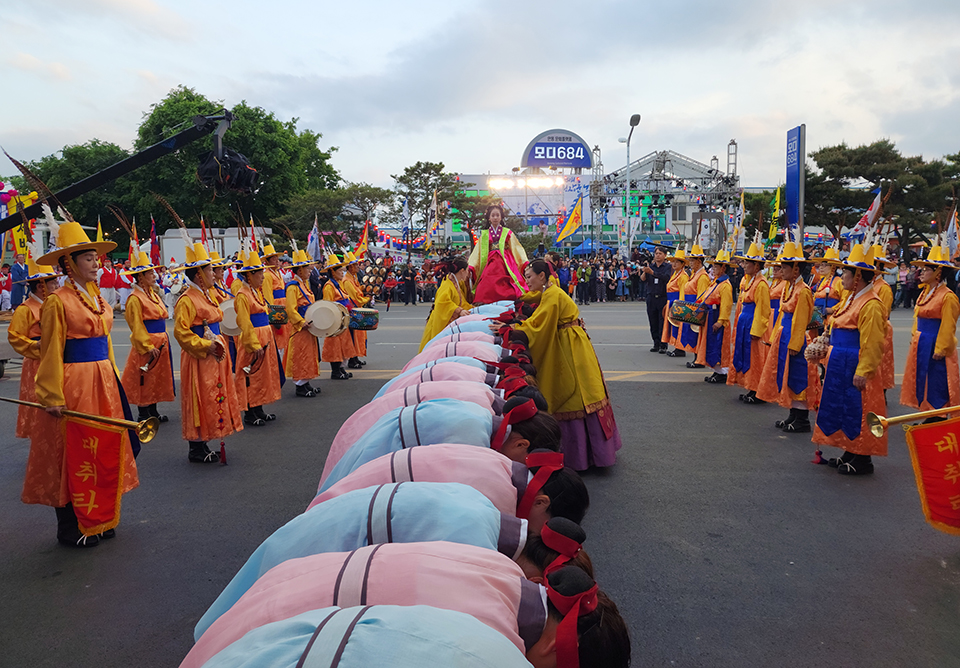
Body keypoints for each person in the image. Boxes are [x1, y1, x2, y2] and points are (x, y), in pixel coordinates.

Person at [30, 214, 139, 548]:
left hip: (103, 380)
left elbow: (105, 344)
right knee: (74, 451)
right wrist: (51, 395)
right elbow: (50, 352)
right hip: (74, 383)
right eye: (89, 258)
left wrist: (114, 380)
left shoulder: (98, 298)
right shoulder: (57, 302)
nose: (96, 264)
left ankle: (101, 517)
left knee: (104, 446)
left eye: (96, 257)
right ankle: (70, 526)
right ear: (69, 263)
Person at [509, 259, 622, 470]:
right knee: (585, 391)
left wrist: (513, 330)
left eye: (529, 276)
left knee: (575, 393)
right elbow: (535, 297)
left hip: (569, 348)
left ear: (542, 276)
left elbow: (539, 324)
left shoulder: (552, 294)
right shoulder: (552, 288)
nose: (527, 281)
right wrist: (516, 299)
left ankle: (579, 457)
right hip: (573, 343)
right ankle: (596, 454)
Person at [812, 241, 887, 475]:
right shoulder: (851, 298)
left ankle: (863, 458)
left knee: (859, 409)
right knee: (842, 408)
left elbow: (873, 342)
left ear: (858, 277)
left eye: (845, 272)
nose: (842, 276)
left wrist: (863, 371)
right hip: (840, 363)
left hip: (855, 363)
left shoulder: (871, 304)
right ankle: (849, 450)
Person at [172, 241, 244, 464]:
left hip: (215, 354)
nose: (215, 273)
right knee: (199, 396)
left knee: (213, 394)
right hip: (200, 357)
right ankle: (196, 446)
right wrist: (206, 345)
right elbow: (181, 333)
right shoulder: (187, 300)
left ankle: (205, 438)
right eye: (210, 269)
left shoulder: (207, 295)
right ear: (199, 275)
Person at [756, 237, 820, 432]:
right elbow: (783, 315)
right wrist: (775, 337)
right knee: (788, 374)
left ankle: (802, 419)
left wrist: (795, 344)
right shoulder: (789, 287)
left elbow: (801, 320)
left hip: (796, 340)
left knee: (798, 376)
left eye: (784, 267)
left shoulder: (804, 291)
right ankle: (792, 414)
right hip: (785, 336)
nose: (780, 270)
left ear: (796, 270)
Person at [900, 240, 960, 415]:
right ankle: (926, 411)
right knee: (922, 378)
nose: (922, 272)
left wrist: (941, 348)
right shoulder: (925, 292)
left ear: (938, 272)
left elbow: (948, 325)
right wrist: (915, 337)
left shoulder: (948, 297)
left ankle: (937, 414)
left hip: (935, 344)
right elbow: (917, 318)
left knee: (936, 380)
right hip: (922, 342)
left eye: (926, 269)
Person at [7, 248, 58, 440]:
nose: (56, 285)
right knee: (38, 399)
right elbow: (14, 335)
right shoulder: (26, 309)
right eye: (53, 282)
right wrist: (33, 345)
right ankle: (40, 438)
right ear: (40, 287)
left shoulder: (53, 304)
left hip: (54, 357)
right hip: (37, 360)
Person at [119, 251, 175, 424]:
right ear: (140, 276)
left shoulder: (153, 294)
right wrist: (146, 345)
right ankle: (144, 412)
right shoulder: (135, 298)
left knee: (156, 377)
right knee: (144, 377)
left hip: (161, 341)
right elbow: (136, 325)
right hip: (148, 342)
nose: (154, 275)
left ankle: (153, 410)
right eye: (150, 273)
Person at [233, 250, 283, 427]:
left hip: (264, 337)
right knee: (251, 374)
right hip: (253, 339)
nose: (263, 276)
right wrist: (254, 344)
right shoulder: (242, 295)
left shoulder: (256, 292)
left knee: (262, 375)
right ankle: (250, 412)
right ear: (249, 275)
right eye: (259, 273)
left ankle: (259, 407)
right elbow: (244, 322)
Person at [727, 238, 771, 403]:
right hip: (746, 322)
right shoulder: (751, 281)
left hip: (752, 324)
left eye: (747, 263)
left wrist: (757, 330)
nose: (744, 265)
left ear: (757, 266)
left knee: (755, 357)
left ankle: (757, 390)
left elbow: (763, 310)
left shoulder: (761, 284)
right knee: (746, 355)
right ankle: (750, 387)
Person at [468, 204, 528, 304]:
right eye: (493, 215)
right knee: (486, 282)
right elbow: (477, 252)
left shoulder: (507, 232)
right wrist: (471, 266)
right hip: (490, 261)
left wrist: (524, 262)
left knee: (510, 282)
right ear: (489, 218)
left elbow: (516, 248)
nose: (495, 218)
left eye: (497, 215)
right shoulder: (485, 234)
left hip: (506, 261)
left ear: (501, 217)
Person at [283, 249, 321, 398]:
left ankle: (306, 382)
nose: (310, 271)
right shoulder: (293, 287)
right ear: (299, 269)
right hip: (301, 327)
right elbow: (291, 309)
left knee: (309, 354)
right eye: (307, 268)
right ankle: (300, 386)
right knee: (301, 355)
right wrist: (300, 322)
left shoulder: (304, 284)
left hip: (309, 326)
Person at [695, 249, 734, 383]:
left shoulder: (725, 285)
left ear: (723, 268)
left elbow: (726, 305)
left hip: (717, 317)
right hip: (710, 315)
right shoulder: (716, 282)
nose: (713, 269)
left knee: (718, 346)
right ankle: (717, 371)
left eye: (716, 266)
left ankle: (723, 372)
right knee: (711, 345)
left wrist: (721, 321)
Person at [418, 257, 473, 352]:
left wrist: (474, 309)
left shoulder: (454, 283)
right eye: (467, 270)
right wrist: (459, 311)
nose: (468, 273)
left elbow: (461, 302)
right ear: (462, 270)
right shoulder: (447, 284)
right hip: (439, 323)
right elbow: (442, 302)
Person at [321, 253, 357, 380]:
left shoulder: (339, 283)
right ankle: (335, 371)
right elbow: (327, 305)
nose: (343, 273)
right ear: (333, 272)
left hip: (343, 320)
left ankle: (341, 368)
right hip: (336, 321)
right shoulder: (329, 286)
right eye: (340, 271)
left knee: (344, 345)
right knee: (335, 347)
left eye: (343, 270)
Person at [676, 239, 711, 361]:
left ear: (699, 261)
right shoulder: (694, 274)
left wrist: (695, 311)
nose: (690, 262)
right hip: (689, 306)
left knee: (696, 334)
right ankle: (696, 358)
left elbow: (701, 296)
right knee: (692, 334)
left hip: (695, 308)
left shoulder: (702, 277)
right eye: (690, 260)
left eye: (692, 260)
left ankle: (699, 359)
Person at [259, 243, 291, 355]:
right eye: (273, 259)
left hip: (283, 305)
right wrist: (273, 314)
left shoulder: (277, 273)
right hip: (277, 307)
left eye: (277, 259)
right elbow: (268, 296)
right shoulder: (267, 275)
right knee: (277, 335)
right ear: (267, 262)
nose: (277, 261)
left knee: (284, 336)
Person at [640, 246, 672, 353]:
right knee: (653, 321)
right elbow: (643, 279)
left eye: (660, 254)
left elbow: (666, 278)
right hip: (651, 296)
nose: (657, 255)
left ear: (665, 255)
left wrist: (652, 273)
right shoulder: (651, 266)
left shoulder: (667, 267)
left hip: (662, 296)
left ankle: (663, 344)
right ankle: (656, 343)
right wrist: (646, 271)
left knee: (662, 321)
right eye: (656, 253)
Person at [343, 250, 370, 368]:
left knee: (359, 336)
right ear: (350, 267)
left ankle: (356, 357)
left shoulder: (353, 278)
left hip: (358, 310)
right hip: (353, 311)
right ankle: (352, 360)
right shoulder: (347, 281)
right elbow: (355, 299)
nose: (358, 267)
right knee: (353, 336)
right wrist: (367, 299)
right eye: (355, 265)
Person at [662, 247, 689, 357]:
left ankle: (680, 348)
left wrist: (680, 305)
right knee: (674, 326)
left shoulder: (683, 276)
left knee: (678, 326)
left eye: (677, 262)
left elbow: (683, 292)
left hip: (677, 303)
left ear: (682, 264)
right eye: (673, 261)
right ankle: (676, 347)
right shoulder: (675, 274)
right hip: (671, 302)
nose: (674, 264)